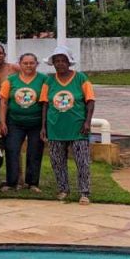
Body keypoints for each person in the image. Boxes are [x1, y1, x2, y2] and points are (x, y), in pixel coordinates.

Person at [41, 46, 96, 205]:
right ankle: (63, 188)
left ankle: (84, 192)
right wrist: (43, 127)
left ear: (69, 62)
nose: (60, 64)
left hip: (78, 127)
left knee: (82, 161)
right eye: (56, 61)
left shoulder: (81, 78)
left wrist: (87, 122)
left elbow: (90, 101)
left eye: (63, 61)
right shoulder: (49, 80)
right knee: (57, 161)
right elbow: (45, 104)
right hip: (55, 127)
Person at [0, 52, 46, 193]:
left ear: (36, 64)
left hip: (36, 123)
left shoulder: (43, 80)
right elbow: (4, 102)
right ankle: (11, 182)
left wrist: (44, 125)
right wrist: (2, 122)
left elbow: (44, 103)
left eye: (32, 63)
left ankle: (32, 183)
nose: (28, 66)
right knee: (12, 151)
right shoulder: (11, 80)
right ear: (20, 64)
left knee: (35, 152)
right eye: (25, 63)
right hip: (14, 122)